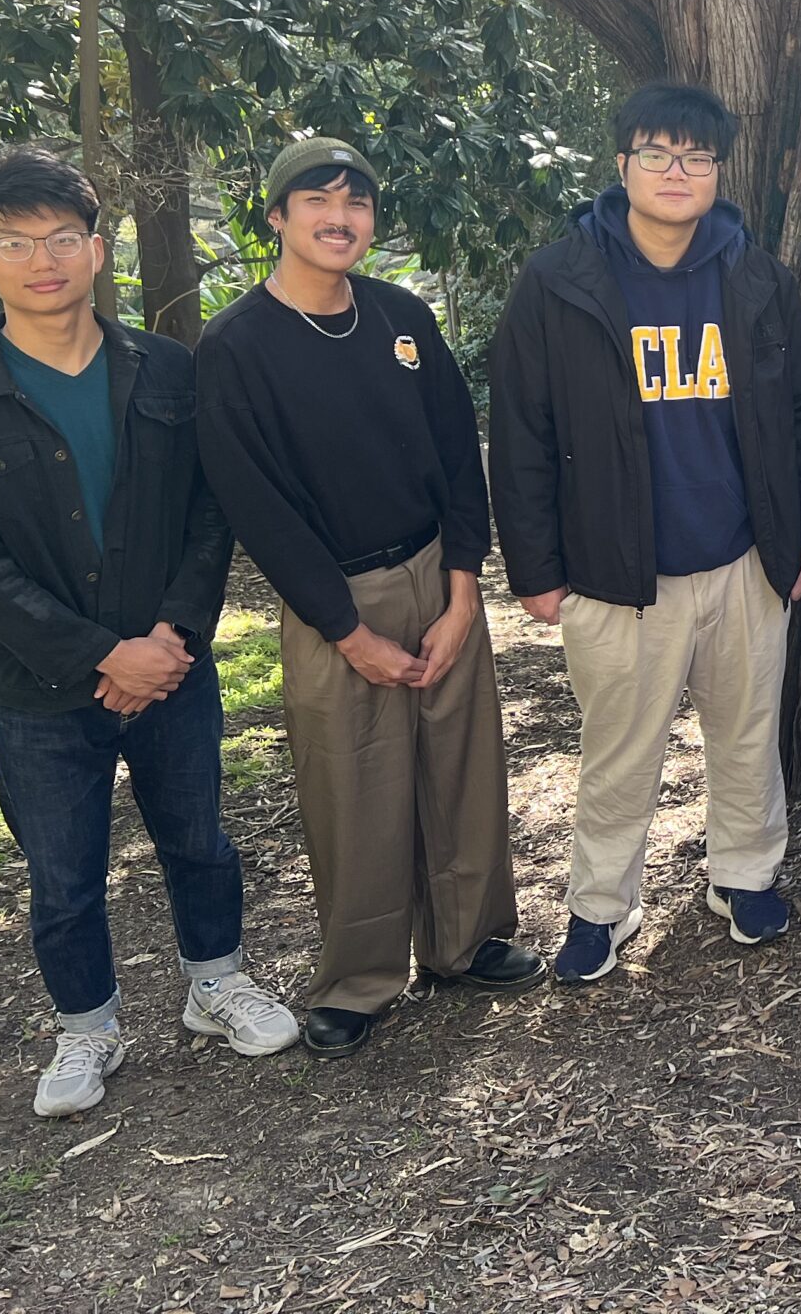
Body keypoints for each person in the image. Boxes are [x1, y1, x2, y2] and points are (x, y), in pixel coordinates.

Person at [0, 148, 298, 1116]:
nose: (43, 260)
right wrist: (101, 657)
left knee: (199, 841)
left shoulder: (166, 371)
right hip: (39, 692)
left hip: (171, 667)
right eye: (15, 243)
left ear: (96, 249)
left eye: (62, 238)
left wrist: (172, 637)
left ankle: (216, 984)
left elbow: (211, 512)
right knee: (64, 874)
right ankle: (87, 1029)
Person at [196, 137, 542, 1057]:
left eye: (356, 201)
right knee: (353, 788)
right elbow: (258, 508)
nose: (339, 217)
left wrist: (464, 590)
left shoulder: (401, 317)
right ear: (277, 216)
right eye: (317, 200)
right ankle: (360, 977)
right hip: (332, 595)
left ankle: (469, 942)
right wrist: (349, 633)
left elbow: (457, 453)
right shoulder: (236, 346)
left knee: (464, 770)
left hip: (435, 573)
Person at [490, 85, 801, 979]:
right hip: (616, 572)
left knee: (747, 732)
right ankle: (601, 908)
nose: (676, 172)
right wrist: (535, 568)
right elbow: (522, 430)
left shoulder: (756, 278)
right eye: (656, 153)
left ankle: (744, 875)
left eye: (696, 157)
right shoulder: (560, 281)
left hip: (744, 558)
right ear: (622, 165)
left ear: (718, 172)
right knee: (619, 750)